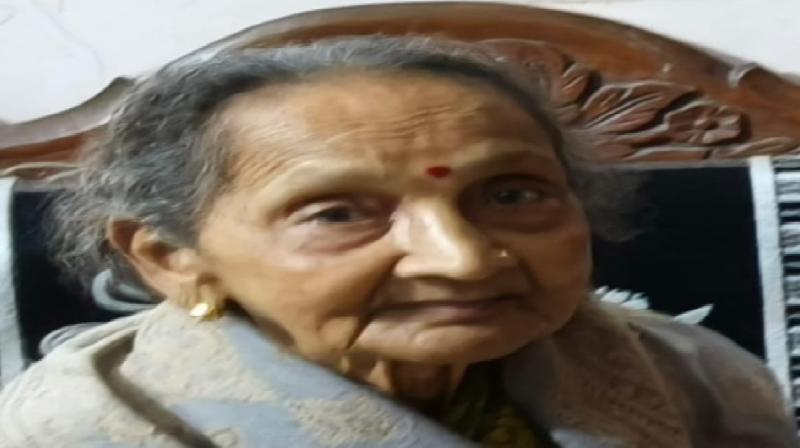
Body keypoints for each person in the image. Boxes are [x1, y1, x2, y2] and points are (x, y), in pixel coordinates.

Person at [0, 36, 795, 448]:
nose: (465, 259)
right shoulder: (81, 429)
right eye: (338, 213)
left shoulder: (690, 370)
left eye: (512, 195)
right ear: (172, 259)